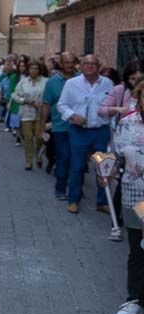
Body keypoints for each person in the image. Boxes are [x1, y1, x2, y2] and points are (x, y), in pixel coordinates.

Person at [57, 54, 114, 214]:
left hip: (101, 131)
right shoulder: (71, 83)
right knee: (77, 167)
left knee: (104, 166)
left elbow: (113, 104)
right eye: (86, 63)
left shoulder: (107, 83)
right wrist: (72, 115)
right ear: (80, 66)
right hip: (79, 131)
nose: (90, 66)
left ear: (98, 66)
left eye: (94, 64)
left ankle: (102, 202)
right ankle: (73, 200)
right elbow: (61, 105)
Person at [111, 81, 144, 314]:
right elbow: (115, 157)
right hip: (137, 196)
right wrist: (106, 170)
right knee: (138, 249)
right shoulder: (127, 124)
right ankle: (135, 300)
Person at [40, 51, 77, 199]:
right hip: (60, 127)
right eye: (66, 62)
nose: (69, 65)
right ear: (61, 64)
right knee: (63, 157)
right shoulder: (52, 82)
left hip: (79, 127)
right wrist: (42, 128)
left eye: (71, 62)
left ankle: (75, 188)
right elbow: (45, 106)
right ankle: (60, 188)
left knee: (76, 160)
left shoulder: (81, 80)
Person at [12, 58, 48, 170]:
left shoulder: (46, 81)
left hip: (40, 114)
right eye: (31, 68)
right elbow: (14, 95)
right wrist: (25, 100)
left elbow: (49, 96)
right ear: (28, 69)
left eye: (36, 68)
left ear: (39, 70)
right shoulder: (23, 82)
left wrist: (42, 103)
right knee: (27, 138)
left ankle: (38, 156)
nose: (34, 70)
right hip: (26, 113)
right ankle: (28, 161)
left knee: (39, 137)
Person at [99, 59, 144, 128]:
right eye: (133, 79)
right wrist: (118, 109)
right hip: (126, 134)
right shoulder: (120, 90)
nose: (137, 82)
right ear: (127, 79)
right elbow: (101, 111)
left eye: (141, 79)